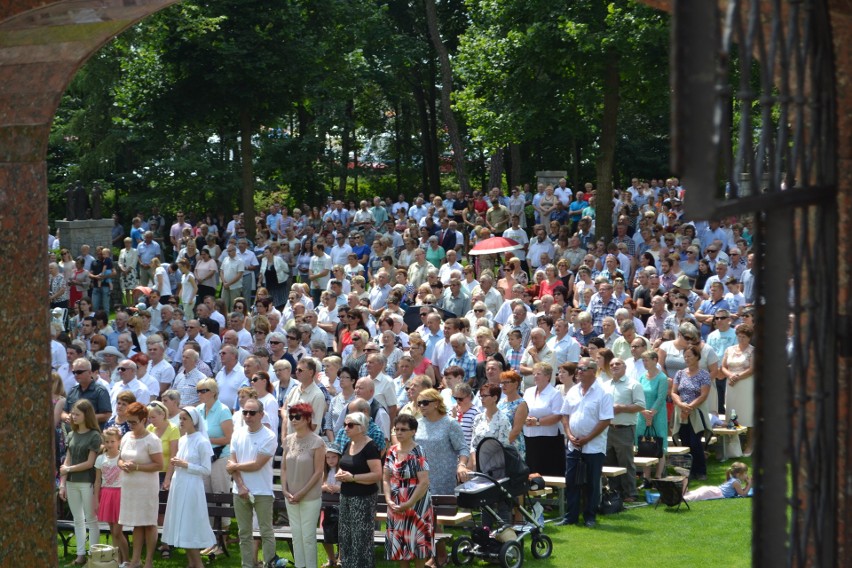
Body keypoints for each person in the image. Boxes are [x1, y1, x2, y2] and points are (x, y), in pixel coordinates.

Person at [557, 357, 614, 528]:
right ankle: (571, 516)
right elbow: (565, 415)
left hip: (594, 447)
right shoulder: (573, 391)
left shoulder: (604, 393)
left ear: (592, 371)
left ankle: (590, 516)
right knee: (571, 481)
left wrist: (587, 439)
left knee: (591, 483)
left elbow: (605, 420)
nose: (578, 372)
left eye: (582, 369)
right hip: (573, 445)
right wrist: (569, 434)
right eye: (578, 369)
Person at [226, 397, 279, 568]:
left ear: (261, 414)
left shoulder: (269, 436)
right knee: (244, 533)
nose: (248, 416)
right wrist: (240, 486)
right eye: (245, 412)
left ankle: (270, 564)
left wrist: (235, 466)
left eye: (252, 412)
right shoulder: (237, 433)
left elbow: (257, 464)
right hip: (239, 490)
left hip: (262, 491)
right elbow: (231, 463)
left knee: (266, 532)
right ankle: (247, 565)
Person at [162, 407, 216, 568]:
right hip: (179, 485)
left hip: (192, 487)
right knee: (181, 524)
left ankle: (198, 564)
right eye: (180, 419)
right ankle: (191, 563)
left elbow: (206, 470)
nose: (181, 422)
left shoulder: (202, 441)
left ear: (194, 421)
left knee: (189, 525)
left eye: (185, 419)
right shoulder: (183, 439)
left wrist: (185, 465)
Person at [383, 414, 434, 567]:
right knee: (400, 549)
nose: (399, 433)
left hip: (416, 504)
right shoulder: (391, 450)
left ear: (413, 431)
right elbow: (385, 478)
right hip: (396, 504)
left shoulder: (418, 452)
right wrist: (388, 500)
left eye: (403, 430)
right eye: (396, 429)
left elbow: (424, 482)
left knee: (418, 547)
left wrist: (409, 503)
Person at [118, 402, 164, 568]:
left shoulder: (152, 440)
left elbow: (159, 465)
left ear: (144, 420)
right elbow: (119, 459)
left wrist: (137, 467)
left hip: (146, 487)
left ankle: (149, 562)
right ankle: (135, 560)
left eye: (133, 422)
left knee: (149, 523)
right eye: (128, 422)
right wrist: (122, 464)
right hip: (130, 487)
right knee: (137, 523)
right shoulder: (125, 437)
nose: (130, 425)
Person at [281, 402, 326, 568]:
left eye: (297, 416)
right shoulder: (288, 440)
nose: (293, 420)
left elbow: (318, 472)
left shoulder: (317, 442)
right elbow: (284, 467)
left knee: (307, 537)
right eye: (291, 416)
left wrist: (302, 493)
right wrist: (285, 490)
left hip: (310, 497)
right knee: (296, 536)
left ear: (307, 419)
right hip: (290, 496)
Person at [336, 411, 383, 568]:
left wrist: (354, 477)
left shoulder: (370, 447)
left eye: (350, 425)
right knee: (345, 535)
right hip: (346, 495)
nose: (346, 428)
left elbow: (377, 474)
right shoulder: (350, 444)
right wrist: (341, 473)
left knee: (360, 538)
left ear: (361, 427)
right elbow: (345, 465)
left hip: (363, 498)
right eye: (344, 425)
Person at [58, 399, 102, 567]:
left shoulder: (94, 435)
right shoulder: (71, 434)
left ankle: (94, 556)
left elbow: (90, 463)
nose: (73, 417)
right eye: (72, 413)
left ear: (86, 415)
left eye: (77, 414)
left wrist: (68, 470)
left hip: (87, 482)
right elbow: (66, 462)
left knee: (91, 519)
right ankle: (80, 555)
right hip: (71, 482)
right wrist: (62, 483)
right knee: (77, 519)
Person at [603, 358, 645, 502]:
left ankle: (630, 493)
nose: (614, 366)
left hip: (625, 429)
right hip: (607, 429)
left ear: (625, 367)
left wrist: (621, 408)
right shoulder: (604, 385)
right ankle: (615, 492)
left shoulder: (633, 384)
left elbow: (640, 405)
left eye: (617, 364)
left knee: (626, 462)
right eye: (611, 364)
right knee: (609, 462)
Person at [671, 345, 712, 480]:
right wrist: (682, 405)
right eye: (685, 356)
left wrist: (689, 408)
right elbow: (674, 392)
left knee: (695, 443)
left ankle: (700, 471)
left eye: (690, 356)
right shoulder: (680, 373)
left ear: (697, 357)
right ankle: (688, 471)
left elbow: (703, 395)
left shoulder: (704, 374)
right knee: (685, 442)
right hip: (681, 413)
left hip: (696, 413)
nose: (687, 359)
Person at [94, 427, 130, 565]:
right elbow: (97, 480)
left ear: (119, 441)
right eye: (107, 441)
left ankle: (126, 560)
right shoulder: (100, 458)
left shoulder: (123, 456)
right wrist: (96, 499)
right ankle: (117, 560)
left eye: (112, 441)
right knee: (112, 529)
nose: (110, 444)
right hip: (106, 493)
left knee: (117, 531)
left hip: (119, 494)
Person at [522, 362, 564, 477]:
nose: (535, 376)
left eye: (538, 374)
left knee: (546, 471)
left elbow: (557, 416)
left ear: (547, 376)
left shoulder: (555, 394)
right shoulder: (528, 392)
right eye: (534, 373)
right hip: (529, 437)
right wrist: (524, 419)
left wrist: (538, 422)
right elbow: (522, 409)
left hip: (547, 439)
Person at [721, 323, 755, 454]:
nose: (741, 339)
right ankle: (733, 446)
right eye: (739, 336)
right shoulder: (729, 349)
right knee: (732, 414)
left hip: (746, 384)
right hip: (731, 385)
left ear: (749, 338)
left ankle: (749, 445)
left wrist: (737, 377)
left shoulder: (753, 350)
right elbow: (723, 367)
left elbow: (752, 369)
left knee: (747, 415)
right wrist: (730, 375)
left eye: (744, 337)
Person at [635, 351, 669, 480]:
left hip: (658, 414)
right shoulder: (642, 377)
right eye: (643, 360)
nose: (645, 363)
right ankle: (646, 476)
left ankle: (658, 475)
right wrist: (644, 412)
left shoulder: (662, 378)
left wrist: (651, 414)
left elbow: (661, 398)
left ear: (655, 360)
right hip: (643, 413)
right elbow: (638, 396)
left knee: (659, 442)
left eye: (647, 360)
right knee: (644, 444)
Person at [468, 384, 512, 470]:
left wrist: (485, 463)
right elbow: (472, 444)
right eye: (481, 396)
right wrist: (475, 461)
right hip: (477, 465)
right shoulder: (478, 418)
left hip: (495, 467)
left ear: (495, 398)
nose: (482, 399)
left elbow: (503, 446)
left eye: (485, 396)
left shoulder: (503, 420)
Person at [683, 462, 752, 502]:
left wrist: (747, 484)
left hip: (712, 490)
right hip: (714, 493)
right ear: (738, 474)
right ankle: (684, 478)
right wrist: (749, 484)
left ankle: (684, 483)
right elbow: (743, 494)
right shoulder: (736, 482)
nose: (746, 475)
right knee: (689, 498)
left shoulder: (732, 479)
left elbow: (740, 491)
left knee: (691, 494)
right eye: (745, 473)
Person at [321, 444, 343, 568]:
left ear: (339, 457)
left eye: (333, 457)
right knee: (327, 532)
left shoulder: (342, 470)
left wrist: (339, 487)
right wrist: (324, 487)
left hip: (341, 506)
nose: (330, 460)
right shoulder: (323, 472)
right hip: (327, 508)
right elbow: (315, 487)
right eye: (328, 457)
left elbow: (349, 486)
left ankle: (340, 559)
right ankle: (331, 559)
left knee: (341, 531)